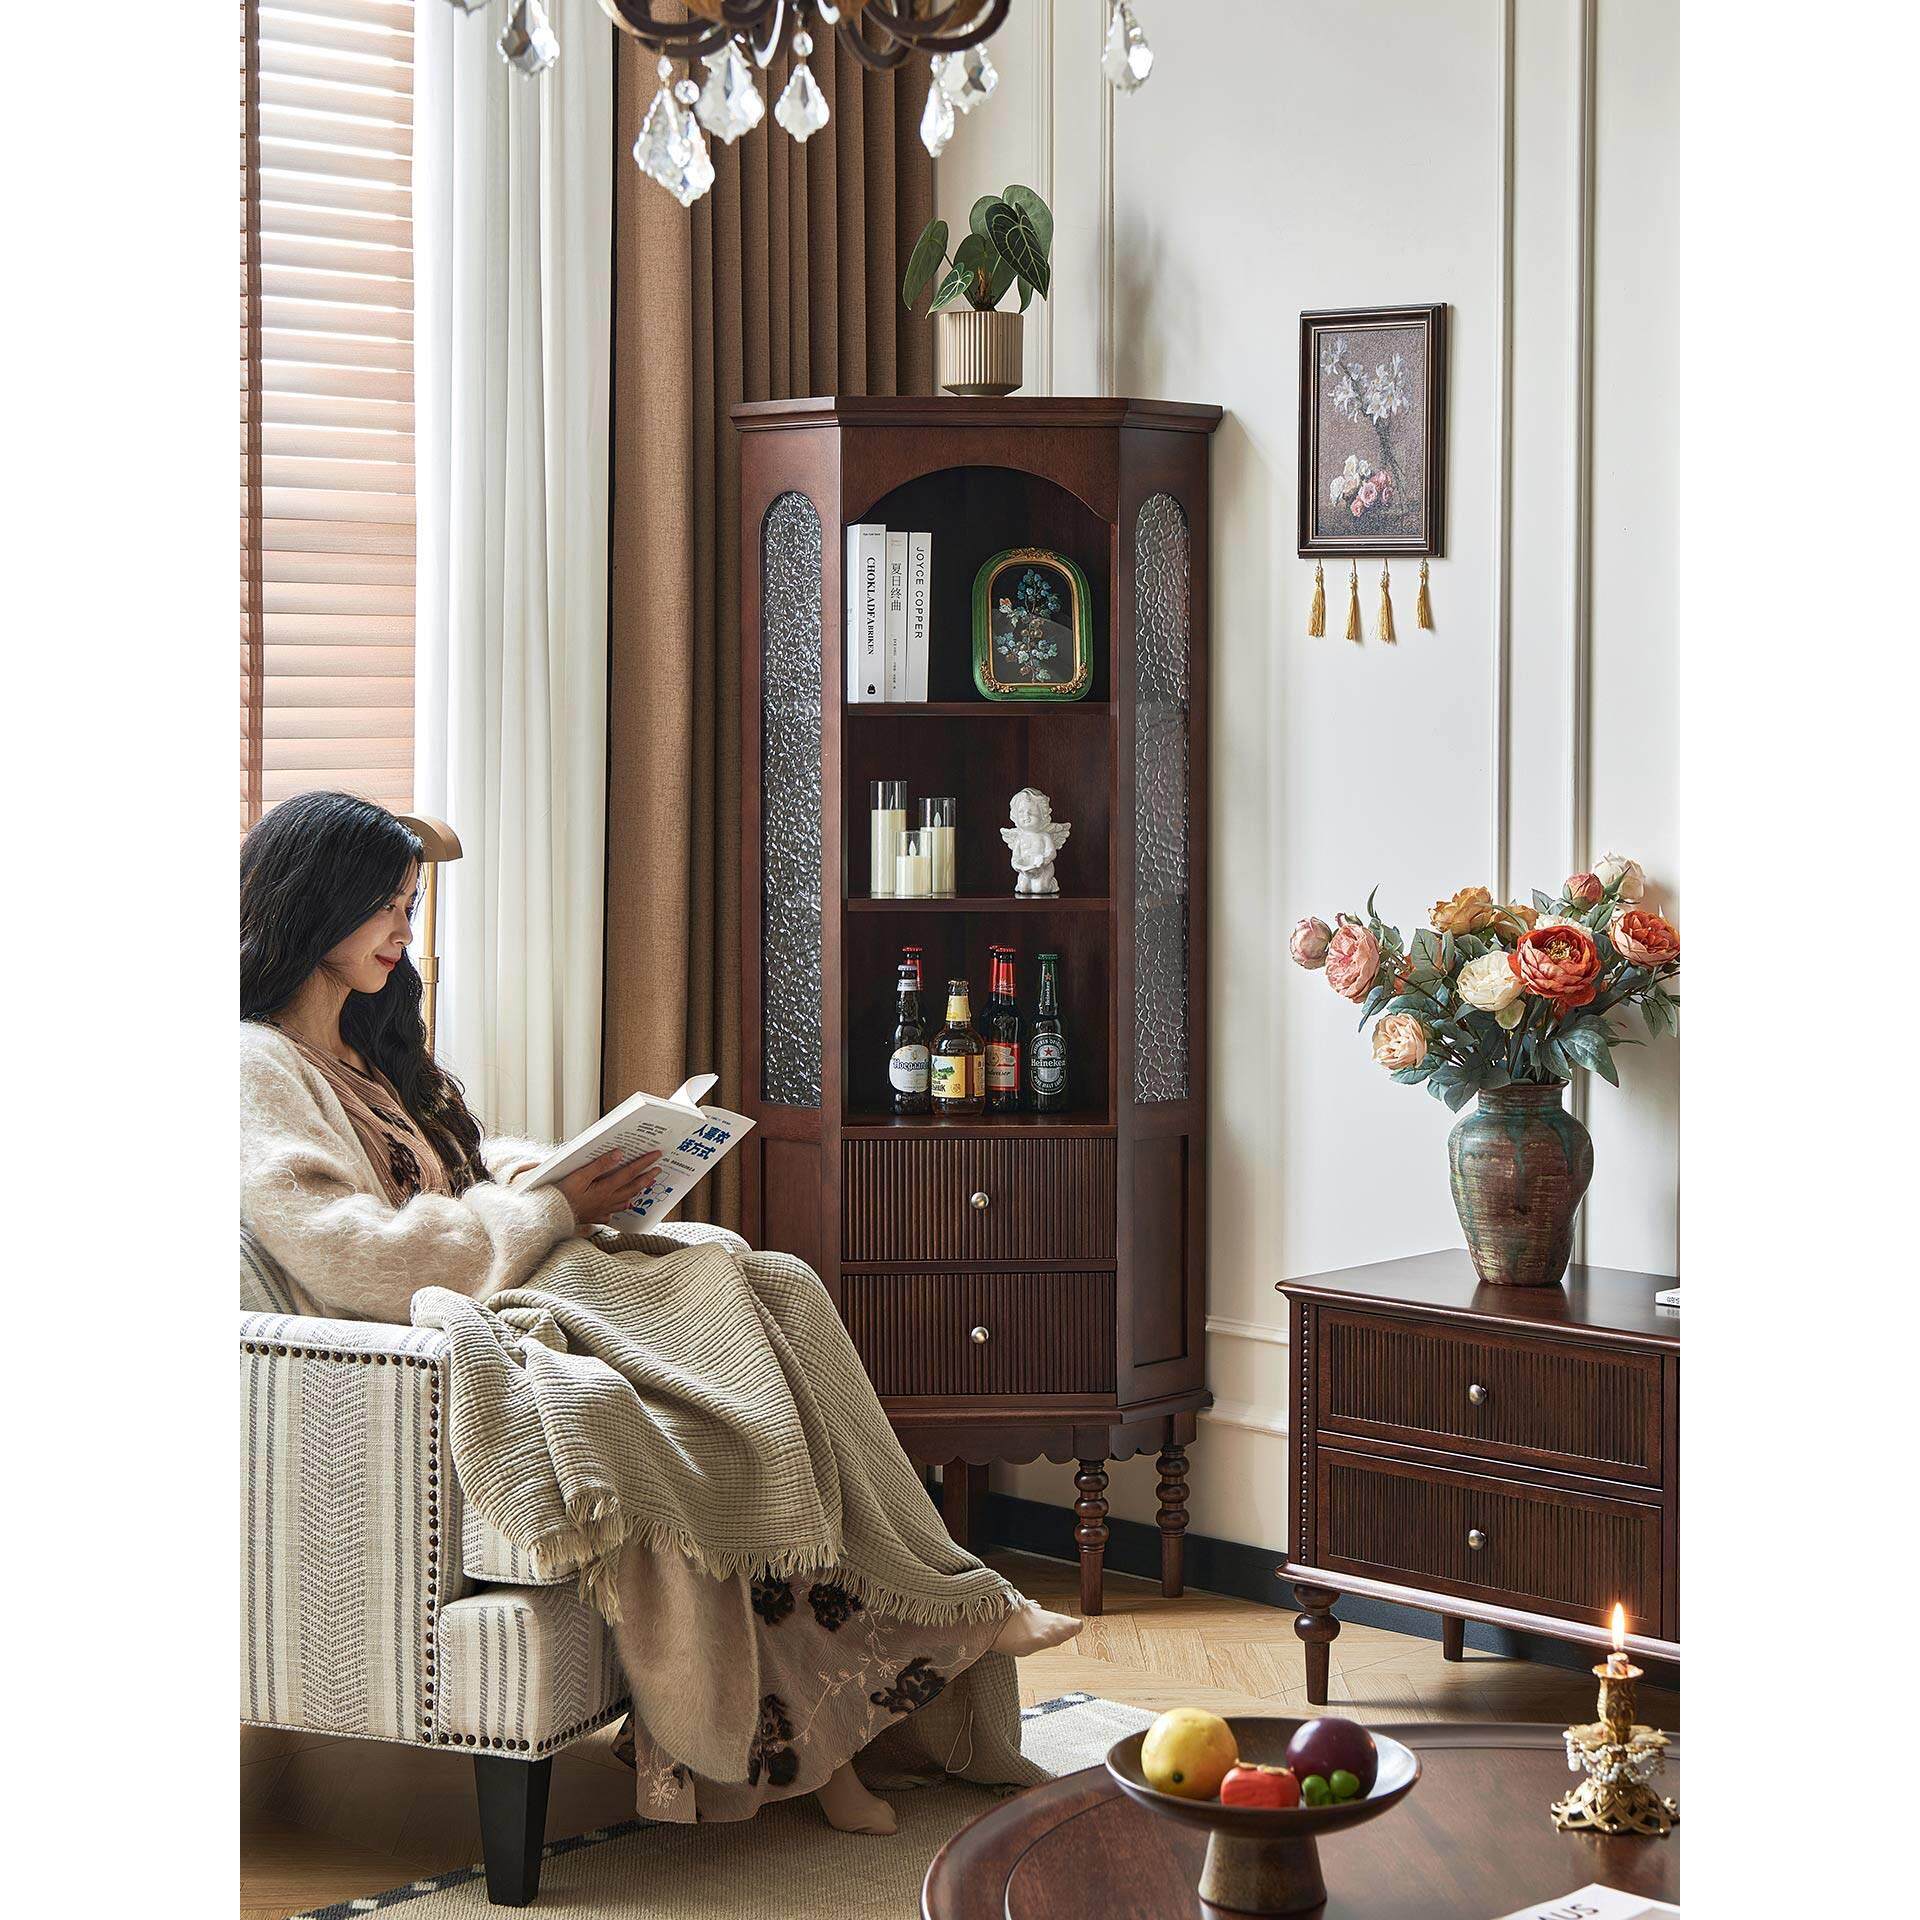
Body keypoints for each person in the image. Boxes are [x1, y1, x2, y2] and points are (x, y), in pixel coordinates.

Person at [239, 791, 1080, 1832]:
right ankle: (949, 1610)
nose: (405, 931)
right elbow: (349, 1252)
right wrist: (553, 1206)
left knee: (772, 1282)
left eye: (411, 906)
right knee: (730, 1288)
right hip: (428, 1337)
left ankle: (851, 1717)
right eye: (387, 906)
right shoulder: (255, 1065)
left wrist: (555, 1171)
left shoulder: (368, 1048)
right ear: (315, 902)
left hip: (512, 1272)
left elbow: (464, 1170)